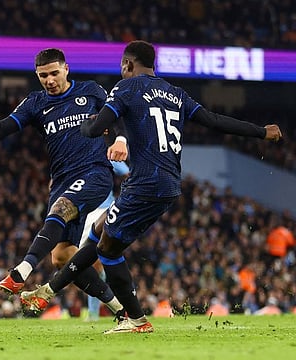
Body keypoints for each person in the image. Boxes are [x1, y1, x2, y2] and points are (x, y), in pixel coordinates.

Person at [20, 40, 282, 334]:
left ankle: (136, 320)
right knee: (98, 229)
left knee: (107, 251)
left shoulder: (126, 88)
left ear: (128, 65)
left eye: (122, 66)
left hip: (144, 183)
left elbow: (94, 129)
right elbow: (215, 121)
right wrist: (261, 132)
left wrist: (86, 124)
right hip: (169, 183)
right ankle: (46, 292)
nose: (121, 71)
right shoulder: (175, 93)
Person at [0, 48, 128, 317]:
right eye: (43, 75)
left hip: (95, 173)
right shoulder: (35, 103)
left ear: (66, 69)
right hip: (62, 181)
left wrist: (119, 139)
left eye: (54, 73)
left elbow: (116, 115)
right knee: (62, 257)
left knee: (62, 208)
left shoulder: (91, 91)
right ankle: (119, 308)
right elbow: (2, 130)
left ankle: (21, 270)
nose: (50, 80)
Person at [82, 160, 129, 322]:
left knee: (98, 259)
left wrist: (124, 199)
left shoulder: (106, 153)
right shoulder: (70, 152)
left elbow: (126, 173)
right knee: (82, 263)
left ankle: (95, 312)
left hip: (102, 211)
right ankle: (105, 305)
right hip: (81, 213)